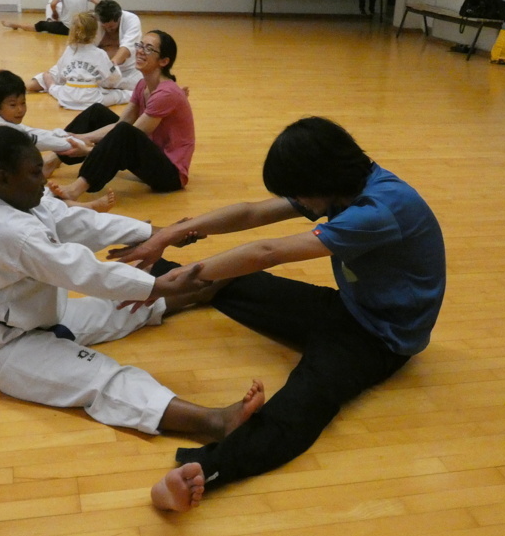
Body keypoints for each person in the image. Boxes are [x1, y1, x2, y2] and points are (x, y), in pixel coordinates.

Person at [108, 117, 446, 512]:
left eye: (299, 192)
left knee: (303, 403)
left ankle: (207, 469)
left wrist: (177, 279)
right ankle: (158, 277)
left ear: (321, 178)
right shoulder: (345, 183)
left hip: (381, 337)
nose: (298, 200)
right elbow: (250, 214)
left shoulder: (379, 209)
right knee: (227, 276)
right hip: (348, 307)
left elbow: (268, 252)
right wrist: (166, 236)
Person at [0, 121, 266, 439]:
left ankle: (197, 292)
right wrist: (156, 285)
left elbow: (82, 222)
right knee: (101, 376)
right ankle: (214, 423)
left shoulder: (29, 202)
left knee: (123, 306)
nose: (43, 180)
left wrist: (157, 233)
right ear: (3, 178)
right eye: (36, 173)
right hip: (5, 347)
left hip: (43, 317)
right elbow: (81, 271)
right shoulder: (12, 234)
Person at [47, 30, 195, 202]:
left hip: (169, 175)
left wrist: (86, 145)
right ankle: (50, 161)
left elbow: (130, 135)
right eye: (140, 45)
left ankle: (75, 190)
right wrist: (82, 137)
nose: (140, 51)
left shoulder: (166, 93)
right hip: (150, 156)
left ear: (164, 61)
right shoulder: (142, 85)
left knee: (124, 132)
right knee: (96, 112)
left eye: (148, 49)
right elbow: (121, 123)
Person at [0, 70, 115, 212]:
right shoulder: (1, 131)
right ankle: (84, 207)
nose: (20, 109)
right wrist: (78, 144)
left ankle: (67, 199)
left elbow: (35, 133)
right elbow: (41, 140)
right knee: (36, 194)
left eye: (23, 103)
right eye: (13, 105)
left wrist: (67, 136)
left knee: (39, 188)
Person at [28, 12, 131, 110]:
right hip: (93, 100)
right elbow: (113, 78)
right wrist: (114, 67)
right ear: (95, 32)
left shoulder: (69, 50)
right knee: (121, 95)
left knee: (53, 86)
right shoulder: (99, 53)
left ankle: (50, 86)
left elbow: (61, 75)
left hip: (67, 98)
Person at [94, 0, 143, 90]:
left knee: (142, 85)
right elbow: (84, 48)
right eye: (105, 26)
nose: (108, 29)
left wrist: (112, 69)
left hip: (129, 71)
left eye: (112, 27)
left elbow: (128, 47)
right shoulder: (93, 22)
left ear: (119, 17)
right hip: (98, 71)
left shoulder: (131, 20)